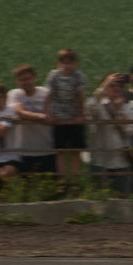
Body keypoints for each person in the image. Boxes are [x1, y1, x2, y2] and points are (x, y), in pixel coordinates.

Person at [85, 72, 133, 192]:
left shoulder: (126, 107)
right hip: (100, 162)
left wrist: (118, 113)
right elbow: (89, 108)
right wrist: (103, 85)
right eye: (112, 85)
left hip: (122, 162)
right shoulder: (99, 106)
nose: (116, 88)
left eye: (119, 85)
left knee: (124, 201)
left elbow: (131, 130)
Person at [5, 63, 57, 178]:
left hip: (48, 149)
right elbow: (20, 112)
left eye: (28, 79)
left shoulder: (45, 93)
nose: (26, 82)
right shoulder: (15, 94)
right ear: (17, 81)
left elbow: (54, 115)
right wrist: (42, 117)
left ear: (34, 78)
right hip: (25, 150)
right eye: (21, 80)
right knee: (26, 189)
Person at [44, 47, 89, 178]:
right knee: (60, 152)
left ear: (75, 63)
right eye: (63, 62)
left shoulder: (78, 76)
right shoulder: (54, 75)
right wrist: (46, 113)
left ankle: (74, 181)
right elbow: (49, 95)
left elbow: (81, 96)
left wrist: (82, 115)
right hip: (59, 118)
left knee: (76, 151)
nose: (67, 65)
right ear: (58, 63)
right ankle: (62, 180)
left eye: (70, 62)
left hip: (74, 118)